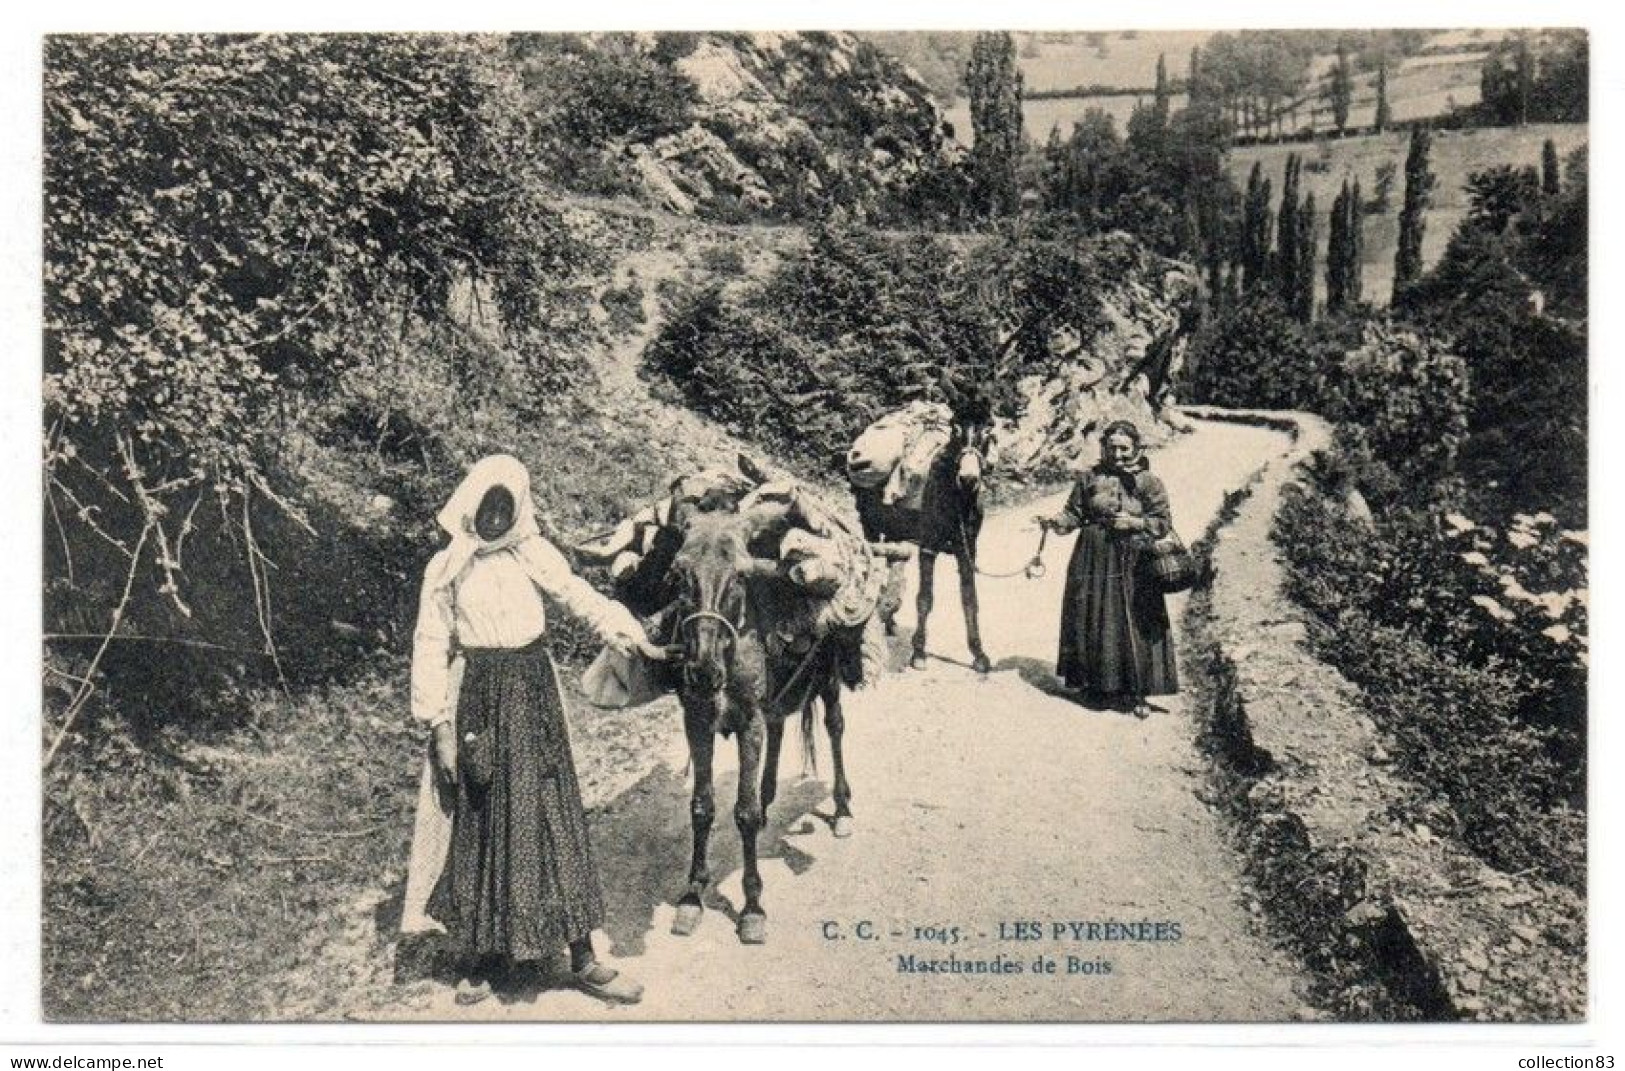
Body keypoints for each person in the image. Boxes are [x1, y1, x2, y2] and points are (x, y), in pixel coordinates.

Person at [406, 454, 664, 1006]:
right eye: (488, 505)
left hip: (533, 691)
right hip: (477, 692)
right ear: (471, 504)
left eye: (507, 505)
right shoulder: (447, 567)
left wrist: (629, 635)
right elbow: (430, 643)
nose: (496, 516)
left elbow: (578, 596)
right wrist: (438, 724)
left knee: (553, 814)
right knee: (482, 816)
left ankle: (585, 958)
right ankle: (481, 955)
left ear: (519, 507)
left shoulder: (532, 554)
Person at [1037, 421, 1179, 717]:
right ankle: (1096, 687)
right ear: (1104, 447)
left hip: (1135, 560)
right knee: (1094, 616)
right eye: (1111, 448)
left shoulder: (1149, 482)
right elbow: (1074, 513)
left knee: (1134, 621)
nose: (1117, 454)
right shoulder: (1090, 477)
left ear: (1137, 448)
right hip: (1092, 557)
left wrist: (1136, 522)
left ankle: (1138, 691)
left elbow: (1162, 523)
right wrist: (1054, 522)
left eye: (1124, 448)